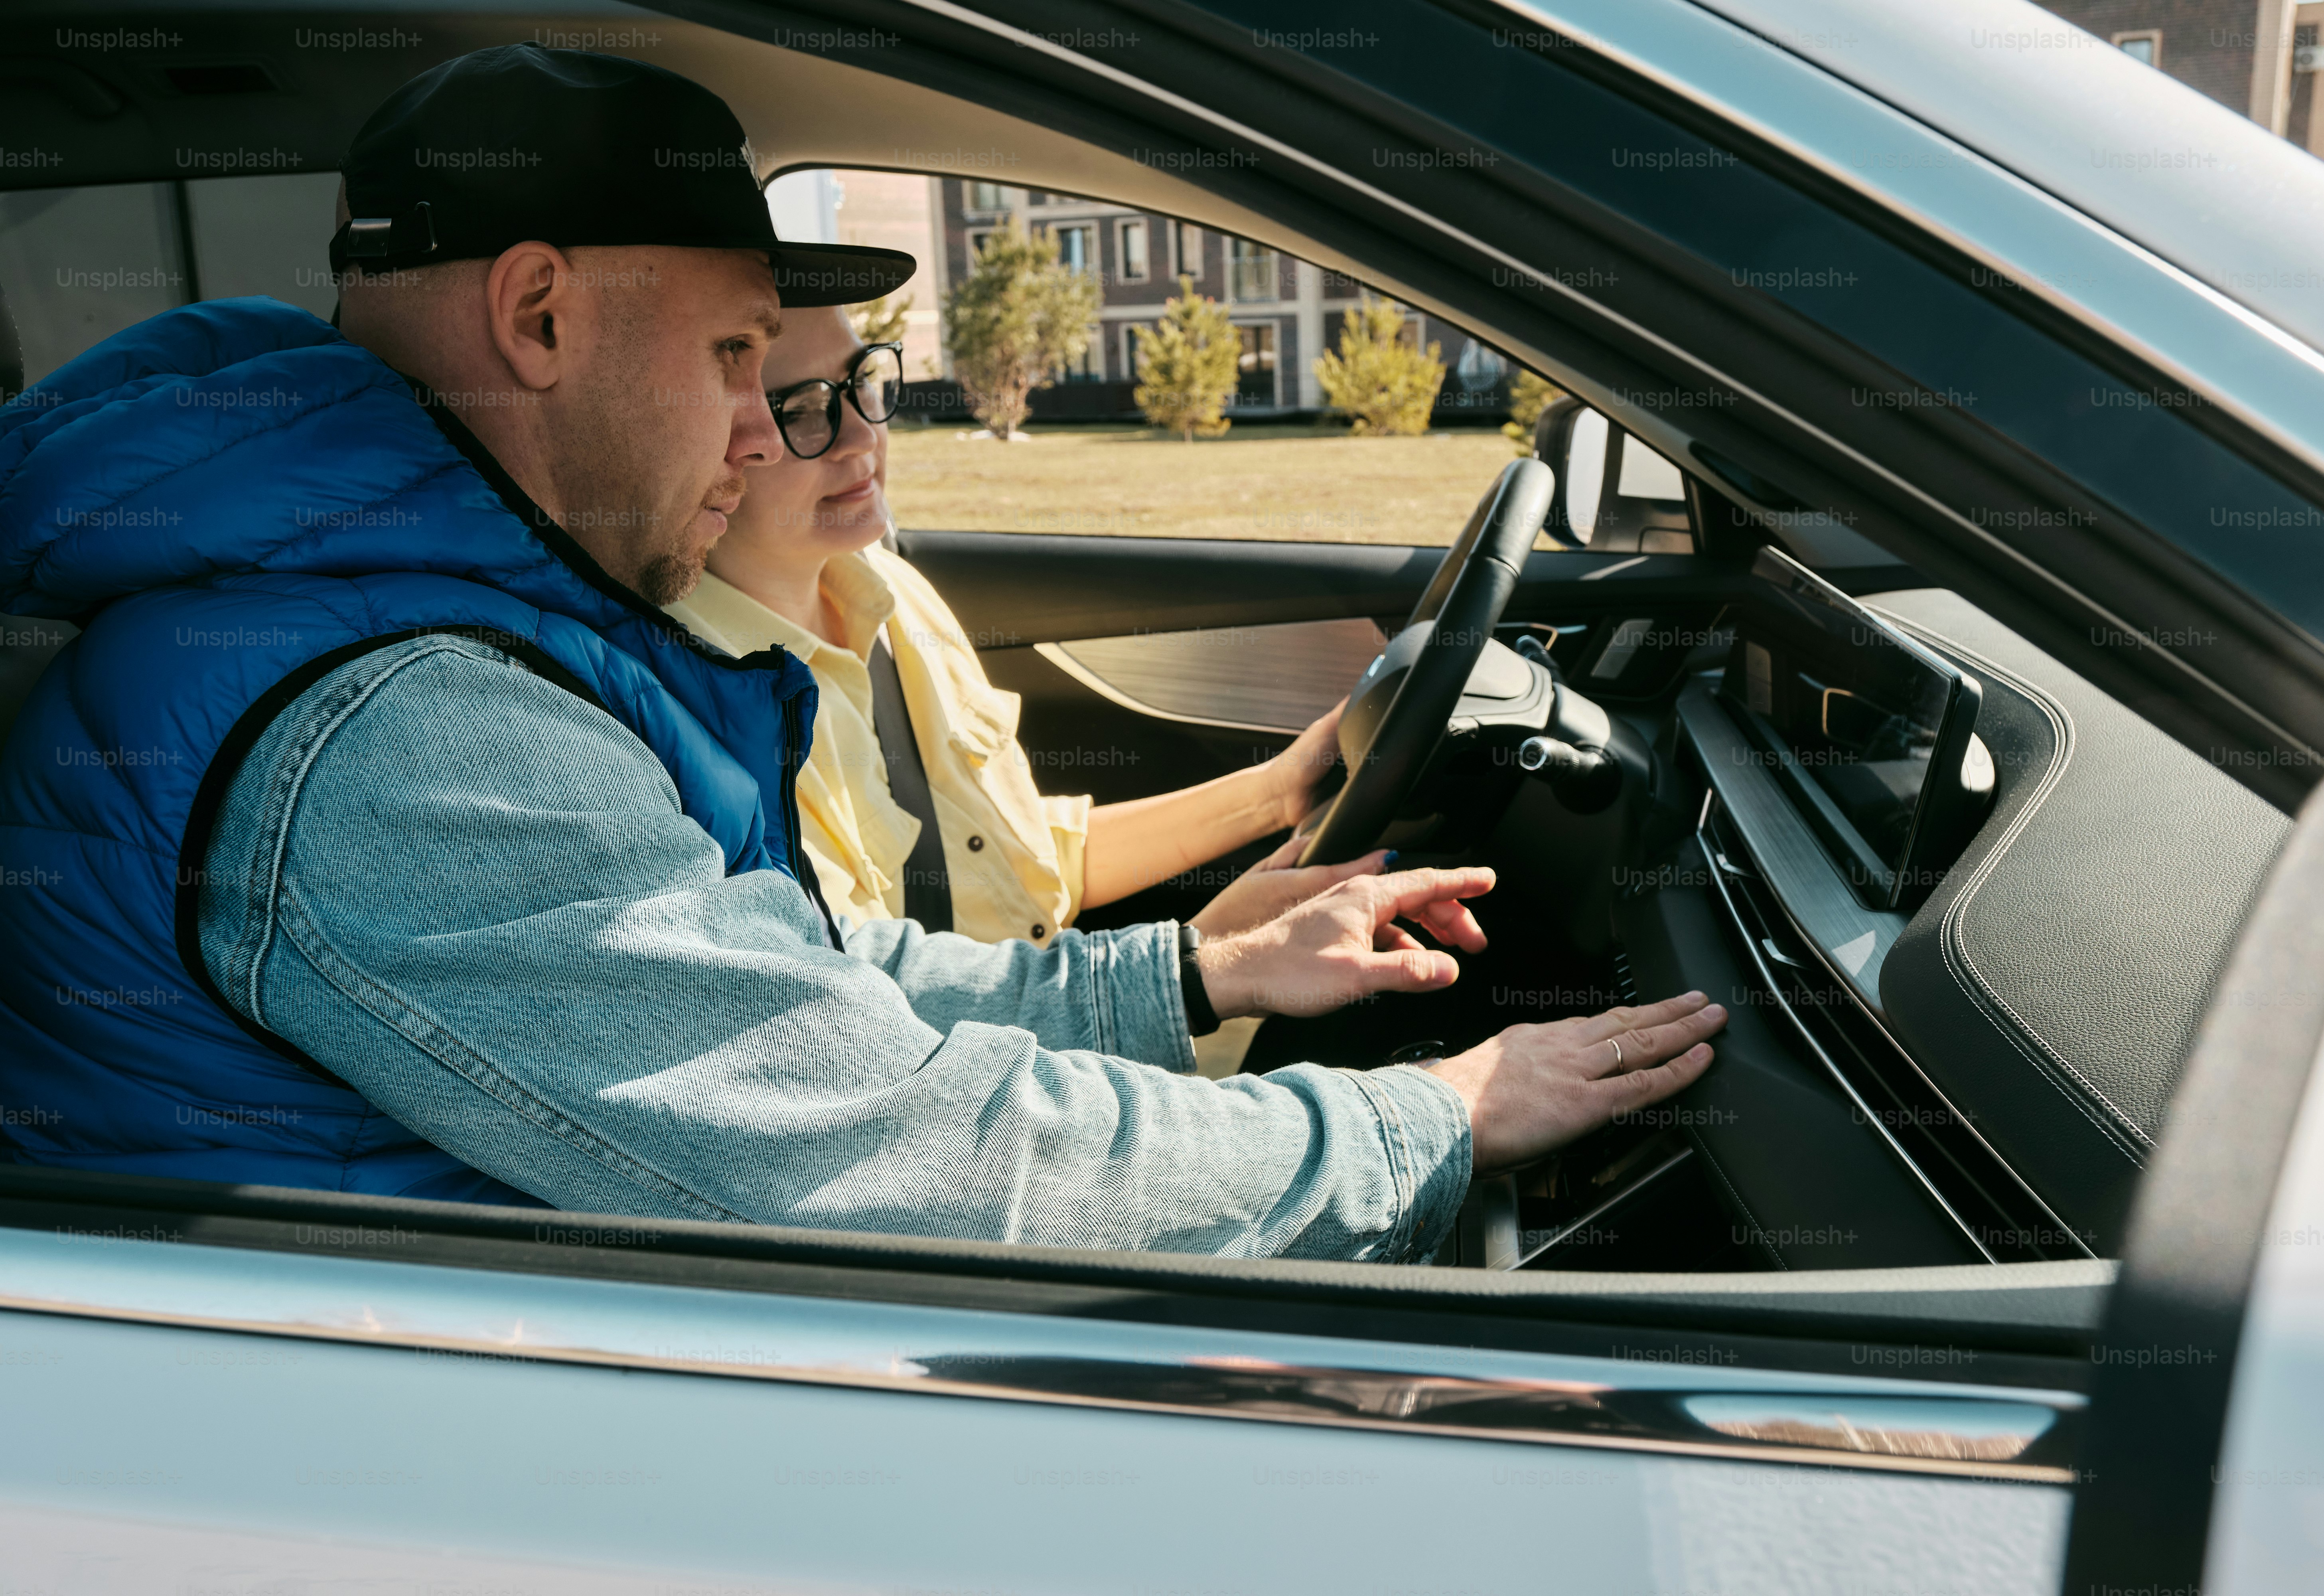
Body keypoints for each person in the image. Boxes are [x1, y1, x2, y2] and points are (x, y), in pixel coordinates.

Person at [0, 45, 1721, 1259]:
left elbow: (802, 990)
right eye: (743, 358)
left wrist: (1187, 976)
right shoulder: (396, 726)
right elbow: (912, 1155)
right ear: (536, 317)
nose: (768, 438)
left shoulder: (448, 618)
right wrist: (1438, 1121)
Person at [668, 304, 1374, 947]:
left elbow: (1024, 861)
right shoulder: (703, 707)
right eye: (803, 410)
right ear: (704, 447)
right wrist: (1208, 960)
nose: (862, 435)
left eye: (862, 381)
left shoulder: (891, 592)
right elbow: (873, 1019)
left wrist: (1274, 794)